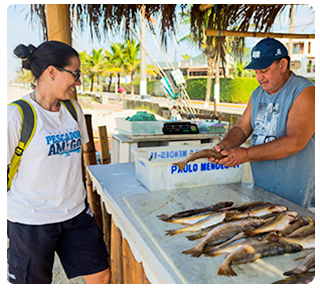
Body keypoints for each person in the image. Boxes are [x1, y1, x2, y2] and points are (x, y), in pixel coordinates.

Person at [7, 41, 111, 285]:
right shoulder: (16, 115)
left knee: (101, 276)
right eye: (75, 74)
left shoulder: (73, 110)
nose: (79, 82)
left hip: (75, 213)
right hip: (31, 219)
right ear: (51, 72)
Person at [209, 37, 316, 208]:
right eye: (256, 71)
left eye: (264, 70)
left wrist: (246, 154)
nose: (259, 77)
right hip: (263, 189)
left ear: (283, 65)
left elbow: (295, 142)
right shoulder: (258, 93)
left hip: (296, 194)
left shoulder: (305, 91)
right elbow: (242, 128)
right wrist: (225, 145)